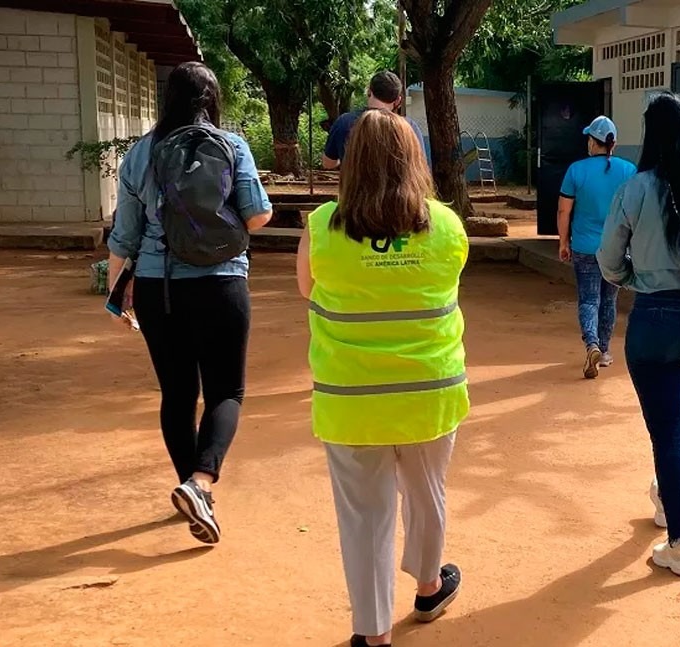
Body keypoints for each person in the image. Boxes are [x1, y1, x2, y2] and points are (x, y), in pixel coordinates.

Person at [297, 109, 468, 647]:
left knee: (365, 518)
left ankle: (372, 635)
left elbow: (308, 290)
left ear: (349, 164)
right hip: (429, 393)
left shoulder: (322, 227)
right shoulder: (446, 225)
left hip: (351, 400)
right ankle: (428, 585)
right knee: (427, 492)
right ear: (414, 158)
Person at [106, 62, 273, 544]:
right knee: (226, 391)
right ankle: (200, 483)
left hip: (160, 289)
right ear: (212, 100)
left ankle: (192, 489)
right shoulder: (233, 145)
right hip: (222, 284)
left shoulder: (140, 153)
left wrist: (117, 295)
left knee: (178, 394)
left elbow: (125, 237)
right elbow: (258, 215)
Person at [597, 92, 680, 576]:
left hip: (652, 319)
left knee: (670, 430)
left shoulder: (634, 189)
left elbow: (610, 262)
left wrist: (639, 280)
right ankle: (669, 502)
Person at [557, 115, 637, 378]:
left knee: (589, 300)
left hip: (584, 247)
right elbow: (635, 211)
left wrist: (563, 242)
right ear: (612, 143)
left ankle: (590, 342)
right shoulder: (628, 171)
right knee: (609, 300)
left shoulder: (575, 170)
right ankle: (603, 351)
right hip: (616, 248)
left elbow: (563, 211)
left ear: (592, 141)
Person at [322, 70, 428, 170]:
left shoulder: (344, 122)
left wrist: (344, 156)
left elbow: (328, 163)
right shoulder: (409, 127)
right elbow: (420, 167)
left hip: (355, 188)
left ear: (369, 91)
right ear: (398, 100)